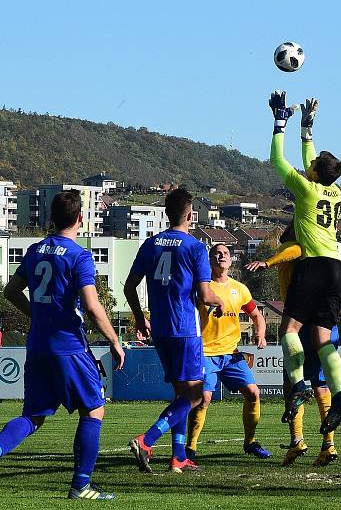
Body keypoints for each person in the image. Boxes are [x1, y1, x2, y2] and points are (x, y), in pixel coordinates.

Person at [0, 189, 125, 500]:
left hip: (38, 345)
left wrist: (38, 314)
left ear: (50, 218)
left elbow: (10, 291)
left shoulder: (35, 250)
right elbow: (93, 307)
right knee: (94, 410)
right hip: (69, 346)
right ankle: (81, 485)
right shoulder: (79, 255)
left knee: (33, 416)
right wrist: (114, 341)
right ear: (80, 219)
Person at [124, 187, 223, 474]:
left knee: (181, 394)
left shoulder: (151, 244)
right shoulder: (195, 247)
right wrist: (220, 301)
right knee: (195, 396)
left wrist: (140, 318)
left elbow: (130, 286)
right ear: (191, 214)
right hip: (185, 329)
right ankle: (147, 440)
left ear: (167, 213)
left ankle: (178, 457)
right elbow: (205, 295)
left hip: (161, 329)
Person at [268, 91, 341, 433]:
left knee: (288, 331)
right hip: (336, 269)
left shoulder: (307, 189)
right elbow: (311, 163)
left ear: (315, 172)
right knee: (321, 339)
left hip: (313, 266)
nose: (309, 165)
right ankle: (340, 393)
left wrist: (279, 122)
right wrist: (308, 128)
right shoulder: (336, 191)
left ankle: (299, 384)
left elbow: (278, 161)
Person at [245, 222, 339, 467]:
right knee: (321, 385)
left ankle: (297, 440)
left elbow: (292, 251)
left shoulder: (296, 247)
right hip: (324, 320)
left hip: (300, 319)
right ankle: (328, 444)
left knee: (292, 383)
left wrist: (268, 262)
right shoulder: (321, 252)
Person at [184, 243, 271, 463]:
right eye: (216, 253)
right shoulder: (202, 287)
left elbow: (258, 316)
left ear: (231, 261)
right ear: (210, 261)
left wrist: (260, 334)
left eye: (225, 254)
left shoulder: (239, 289)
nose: (221, 256)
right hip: (205, 352)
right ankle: (190, 448)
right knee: (204, 398)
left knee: (253, 393)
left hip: (231, 354)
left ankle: (250, 442)